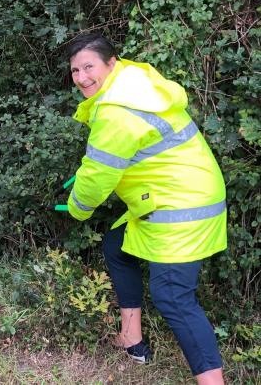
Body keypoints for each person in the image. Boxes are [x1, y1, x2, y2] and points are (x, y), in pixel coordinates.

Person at [65, 33, 226, 385]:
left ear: (111, 62)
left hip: (180, 208)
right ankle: (131, 338)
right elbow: (113, 160)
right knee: (116, 246)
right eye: (75, 70)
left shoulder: (117, 111)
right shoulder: (135, 81)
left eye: (88, 67)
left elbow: (96, 178)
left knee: (174, 299)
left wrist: (76, 208)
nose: (81, 78)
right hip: (183, 194)